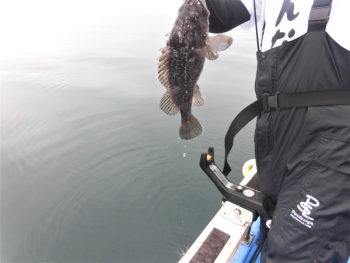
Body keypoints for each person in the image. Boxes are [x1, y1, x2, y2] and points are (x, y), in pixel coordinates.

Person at [205, 0, 350, 262]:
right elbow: (219, 15)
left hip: (336, 145)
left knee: (294, 254)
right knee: (273, 228)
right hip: (277, 144)